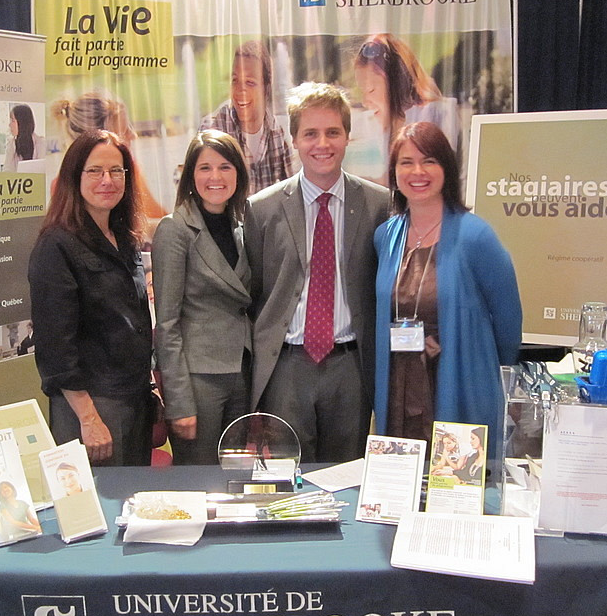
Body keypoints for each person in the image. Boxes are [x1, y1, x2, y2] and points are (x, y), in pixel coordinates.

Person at [244, 82, 389, 462]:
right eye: (310, 133)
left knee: (347, 474)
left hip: (351, 367)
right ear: (294, 139)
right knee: (287, 474)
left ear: (347, 137)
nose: (322, 144)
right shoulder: (262, 209)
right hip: (286, 368)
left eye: (332, 132)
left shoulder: (379, 205)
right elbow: (256, 292)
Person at [373, 122, 522, 449]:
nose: (417, 172)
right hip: (399, 384)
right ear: (394, 172)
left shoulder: (476, 236)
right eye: (406, 162)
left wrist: (484, 369)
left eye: (429, 161)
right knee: (402, 474)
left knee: (456, 473)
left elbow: (508, 321)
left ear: (447, 168)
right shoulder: (386, 236)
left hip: (459, 382)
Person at [28, 129, 153, 466]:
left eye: (116, 171)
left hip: (133, 398)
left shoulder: (125, 238)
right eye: (95, 171)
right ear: (75, 177)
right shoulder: (56, 245)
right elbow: (55, 345)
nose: (107, 180)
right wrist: (88, 417)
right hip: (92, 407)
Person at [152, 130, 252, 464]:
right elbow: (166, 324)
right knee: (199, 479)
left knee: (237, 477)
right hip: (197, 381)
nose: (215, 177)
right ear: (191, 176)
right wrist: (179, 401)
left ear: (238, 173)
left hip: (241, 373)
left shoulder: (242, 225)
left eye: (225, 167)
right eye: (205, 168)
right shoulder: (174, 229)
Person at [354, 33, 462, 177]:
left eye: (370, 90)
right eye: (362, 91)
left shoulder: (439, 114)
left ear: (397, 84)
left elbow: (445, 175)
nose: (365, 101)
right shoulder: (365, 125)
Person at [51, 91, 166, 221]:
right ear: (99, 140)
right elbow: (157, 217)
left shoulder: (60, 184)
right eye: (124, 131)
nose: (133, 135)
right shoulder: (125, 171)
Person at [200, 40, 293, 193]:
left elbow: (291, 192)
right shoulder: (212, 129)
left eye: (250, 82)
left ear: (266, 88)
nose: (239, 90)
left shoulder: (278, 132)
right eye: (235, 80)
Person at [3, 104, 46, 171]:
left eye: (13, 121)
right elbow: (7, 170)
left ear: (22, 122)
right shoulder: (11, 144)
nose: (10, 125)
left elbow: (42, 169)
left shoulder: (41, 143)